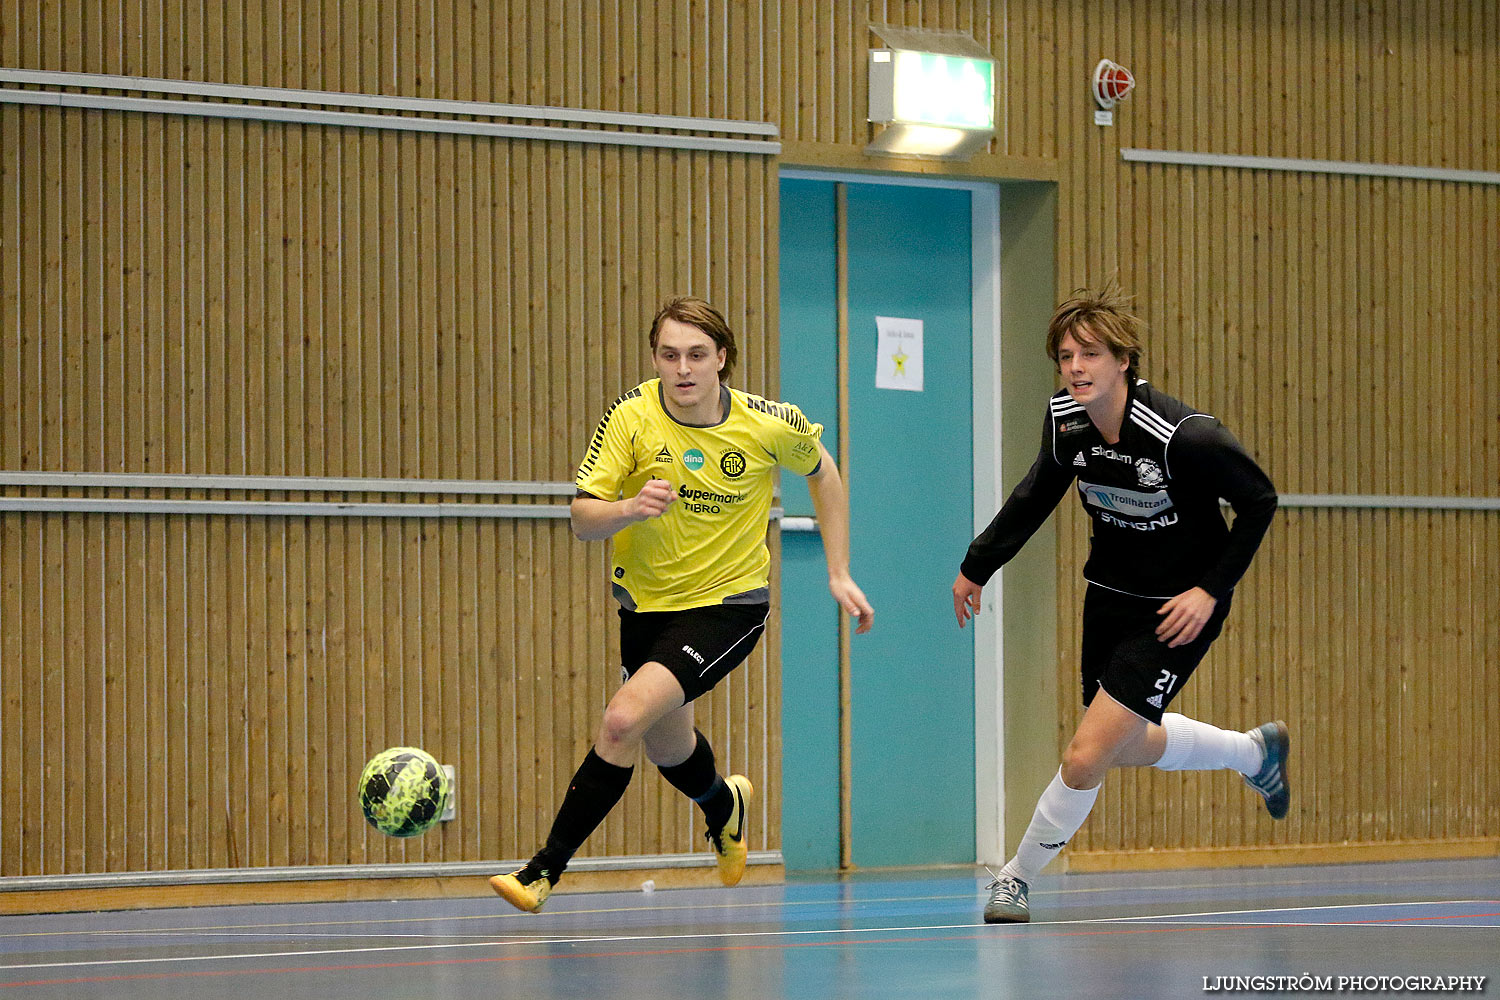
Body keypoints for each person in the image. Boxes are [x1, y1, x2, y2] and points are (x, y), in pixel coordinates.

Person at [492, 295, 874, 913]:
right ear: (655, 359)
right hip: (646, 607)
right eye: (669, 355)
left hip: (729, 605)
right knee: (667, 748)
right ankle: (725, 807)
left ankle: (542, 871)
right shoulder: (631, 417)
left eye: (697, 355)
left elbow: (823, 471)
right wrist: (627, 508)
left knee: (620, 720)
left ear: (722, 359)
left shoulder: (766, 423)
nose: (684, 369)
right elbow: (582, 520)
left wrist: (838, 569)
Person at [952, 285, 1287, 924]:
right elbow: (1037, 490)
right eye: (1066, 356)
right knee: (1118, 744)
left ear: (1123, 360)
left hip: (1175, 610)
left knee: (1084, 756)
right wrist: (978, 564)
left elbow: (1260, 502)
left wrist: (1210, 590)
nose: (1076, 368)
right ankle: (1254, 754)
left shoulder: (1186, 437)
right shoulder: (1067, 418)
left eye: (1090, 355)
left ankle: (1015, 877)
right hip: (1108, 598)